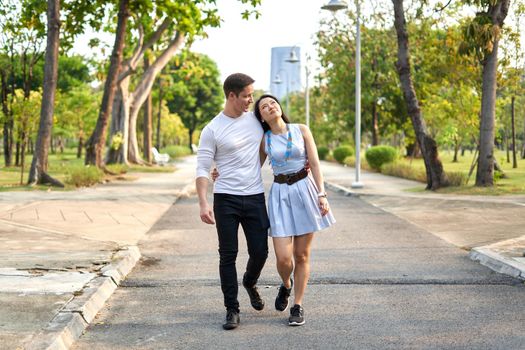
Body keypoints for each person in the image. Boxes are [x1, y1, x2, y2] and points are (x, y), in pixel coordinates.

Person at [195, 73, 270, 330]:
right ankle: (232, 309)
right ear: (231, 95)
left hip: (255, 197)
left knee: (260, 251)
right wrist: (204, 203)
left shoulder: (257, 120)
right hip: (225, 199)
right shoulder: (212, 129)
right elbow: (203, 168)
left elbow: (279, 132)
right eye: (247, 95)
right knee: (228, 255)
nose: (251, 100)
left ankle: (249, 281)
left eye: (252, 94)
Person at [254, 94, 335, 326]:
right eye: (264, 107)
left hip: (305, 192)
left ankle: (297, 305)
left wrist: (322, 194)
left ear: (279, 107)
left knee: (301, 255)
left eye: (272, 103)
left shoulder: (301, 130)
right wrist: (222, 172)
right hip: (280, 195)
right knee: (283, 258)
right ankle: (286, 284)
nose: (270, 107)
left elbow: (316, 163)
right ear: (260, 116)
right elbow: (252, 168)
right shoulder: (264, 140)